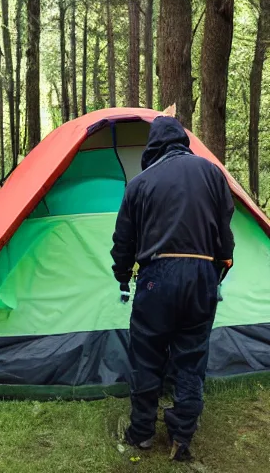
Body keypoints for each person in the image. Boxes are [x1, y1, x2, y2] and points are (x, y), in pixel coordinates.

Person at [110, 112, 235, 461]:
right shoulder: (213, 174)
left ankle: (141, 434)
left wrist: (122, 276)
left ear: (153, 146)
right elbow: (225, 229)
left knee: (147, 356)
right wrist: (220, 265)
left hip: (156, 276)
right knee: (191, 359)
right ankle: (182, 438)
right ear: (182, 141)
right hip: (201, 276)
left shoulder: (140, 183)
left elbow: (124, 240)